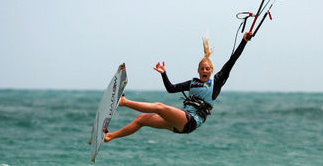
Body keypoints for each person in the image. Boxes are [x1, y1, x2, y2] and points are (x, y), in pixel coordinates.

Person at [104, 32, 251, 142]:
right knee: (141, 119)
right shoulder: (192, 83)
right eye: (202, 69)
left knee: (159, 107)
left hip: (191, 121)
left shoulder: (217, 81)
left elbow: (233, 59)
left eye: (207, 69)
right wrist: (164, 74)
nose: (205, 71)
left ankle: (124, 102)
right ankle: (109, 137)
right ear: (198, 70)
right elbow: (171, 88)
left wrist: (244, 41)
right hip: (179, 121)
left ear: (211, 70)